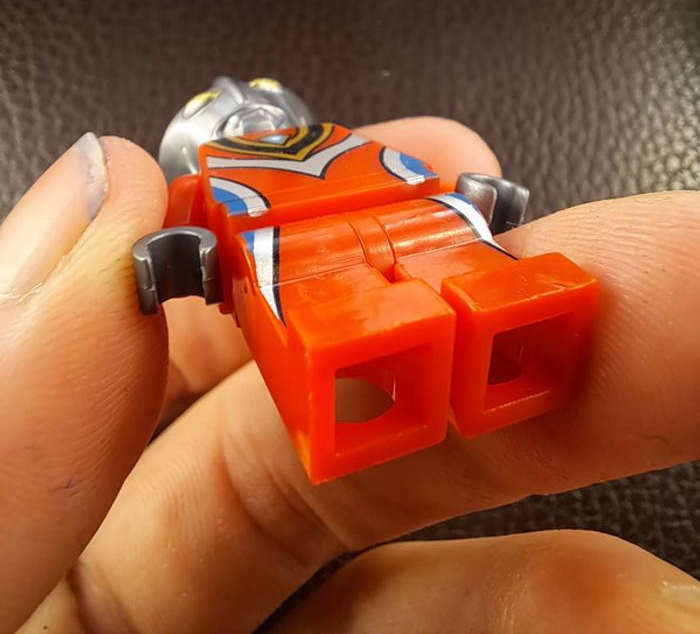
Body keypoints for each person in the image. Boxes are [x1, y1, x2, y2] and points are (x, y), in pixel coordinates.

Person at [1, 117, 698, 634]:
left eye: (261, 104)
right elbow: (179, 245)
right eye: (229, 111)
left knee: (484, 272)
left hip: (421, 218)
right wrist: (170, 259)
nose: (253, 115)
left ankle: (492, 303)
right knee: (335, 315)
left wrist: (474, 202)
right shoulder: (207, 178)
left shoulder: (346, 145)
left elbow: (435, 181)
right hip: (288, 254)